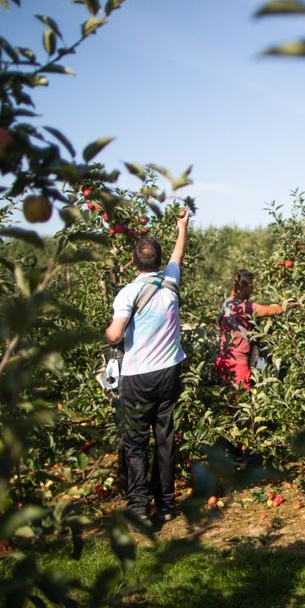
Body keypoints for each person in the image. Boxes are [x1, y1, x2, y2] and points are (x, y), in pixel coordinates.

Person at [104, 210, 189, 525]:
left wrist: (106, 333)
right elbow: (178, 255)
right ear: (159, 262)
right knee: (164, 437)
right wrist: (183, 226)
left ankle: (139, 507)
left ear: (133, 262)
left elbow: (115, 333)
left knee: (136, 441)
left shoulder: (128, 292)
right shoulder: (169, 282)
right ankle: (166, 504)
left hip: (138, 377)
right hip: (169, 372)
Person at [215, 269, 291, 389]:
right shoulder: (246, 307)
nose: (253, 288)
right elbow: (277, 310)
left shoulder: (225, 305)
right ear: (243, 286)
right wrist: (292, 303)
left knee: (225, 400)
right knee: (242, 400)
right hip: (239, 367)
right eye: (251, 285)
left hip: (222, 362)